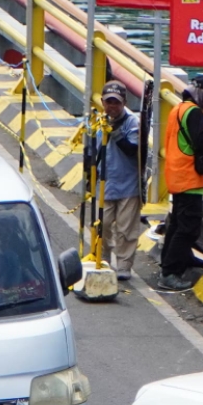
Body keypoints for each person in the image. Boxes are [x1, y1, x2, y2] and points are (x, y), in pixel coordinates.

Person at [158, 74, 203, 285]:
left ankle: (180, 259)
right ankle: (170, 272)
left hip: (176, 175)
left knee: (177, 224)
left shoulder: (178, 109)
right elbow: (200, 142)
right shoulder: (194, 112)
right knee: (189, 228)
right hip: (189, 178)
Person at [86, 79, 143, 281]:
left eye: (116, 102)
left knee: (126, 229)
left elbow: (131, 149)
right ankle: (102, 259)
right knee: (102, 224)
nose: (112, 106)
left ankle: (124, 265)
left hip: (128, 183)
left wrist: (115, 131)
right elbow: (91, 151)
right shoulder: (97, 121)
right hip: (105, 182)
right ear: (102, 101)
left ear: (124, 102)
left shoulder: (132, 122)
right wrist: (89, 177)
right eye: (108, 102)